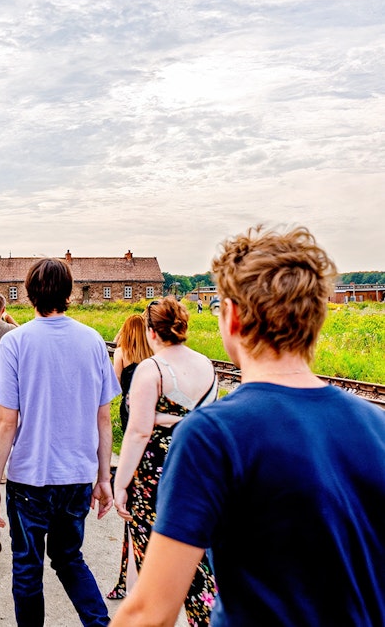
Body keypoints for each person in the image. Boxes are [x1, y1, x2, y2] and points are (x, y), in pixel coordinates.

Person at [112, 226, 385, 626]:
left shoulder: (212, 436)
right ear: (318, 316)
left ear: (231, 316)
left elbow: (151, 610)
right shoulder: (376, 427)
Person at [0, 258, 119, 626]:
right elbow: (103, 416)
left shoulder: (15, 343)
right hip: (77, 475)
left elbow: (5, 423)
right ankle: (99, 623)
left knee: (28, 569)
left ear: (28, 294)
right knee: (69, 559)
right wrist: (104, 478)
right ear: (69, 293)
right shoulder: (92, 341)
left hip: (29, 478)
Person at [111, 298, 217, 623]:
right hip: (197, 467)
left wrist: (120, 483)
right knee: (197, 555)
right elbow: (202, 418)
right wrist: (171, 418)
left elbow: (138, 432)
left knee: (153, 564)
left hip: (155, 475)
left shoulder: (151, 368)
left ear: (151, 332)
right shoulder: (206, 365)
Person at [105, 313, 155, 599]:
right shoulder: (152, 354)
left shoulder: (123, 352)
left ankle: (131, 581)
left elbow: (115, 387)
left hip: (130, 412)